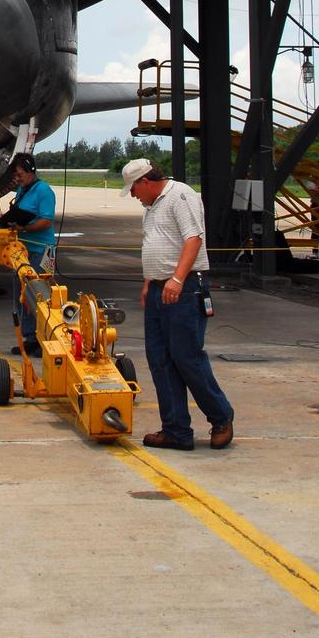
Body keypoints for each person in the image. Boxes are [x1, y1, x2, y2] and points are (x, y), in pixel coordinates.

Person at [121, 158, 234, 451]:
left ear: (145, 181)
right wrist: (150, 281)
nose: (133, 195)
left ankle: (221, 418)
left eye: (133, 189)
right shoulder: (152, 207)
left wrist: (177, 279)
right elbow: (157, 243)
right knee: (160, 359)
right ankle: (176, 430)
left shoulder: (180, 195)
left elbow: (193, 239)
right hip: (160, 289)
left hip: (182, 290)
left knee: (187, 357)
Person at [2, 152, 57, 359]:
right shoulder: (23, 190)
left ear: (31, 171)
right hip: (23, 250)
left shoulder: (43, 191)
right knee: (23, 296)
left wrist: (24, 227)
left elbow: (46, 221)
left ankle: (45, 338)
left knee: (41, 295)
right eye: (16, 174)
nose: (18, 178)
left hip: (41, 250)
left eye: (20, 173)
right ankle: (30, 337)